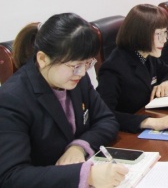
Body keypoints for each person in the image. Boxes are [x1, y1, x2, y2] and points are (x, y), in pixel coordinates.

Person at [0, 13, 128, 187]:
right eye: (75, 66)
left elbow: (107, 119)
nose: (82, 73)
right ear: (43, 59)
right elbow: (11, 176)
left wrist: (79, 146)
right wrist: (86, 175)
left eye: (87, 64)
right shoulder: (12, 99)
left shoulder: (76, 79)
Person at [97, 4, 168, 133]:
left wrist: (167, 82)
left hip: (150, 114)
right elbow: (105, 114)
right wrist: (147, 122)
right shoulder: (113, 68)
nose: (164, 40)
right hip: (128, 133)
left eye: (165, 33)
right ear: (141, 34)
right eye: (158, 34)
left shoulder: (146, 55)